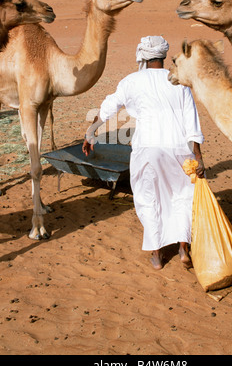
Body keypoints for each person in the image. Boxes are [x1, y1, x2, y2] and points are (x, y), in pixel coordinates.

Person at [82, 36, 205, 270]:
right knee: (182, 196)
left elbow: (108, 108)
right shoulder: (178, 81)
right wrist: (198, 156)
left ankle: (157, 255)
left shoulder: (131, 81)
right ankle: (182, 248)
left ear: (143, 55)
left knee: (149, 198)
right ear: (163, 55)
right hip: (179, 149)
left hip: (148, 149)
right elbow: (192, 122)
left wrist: (91, 131)